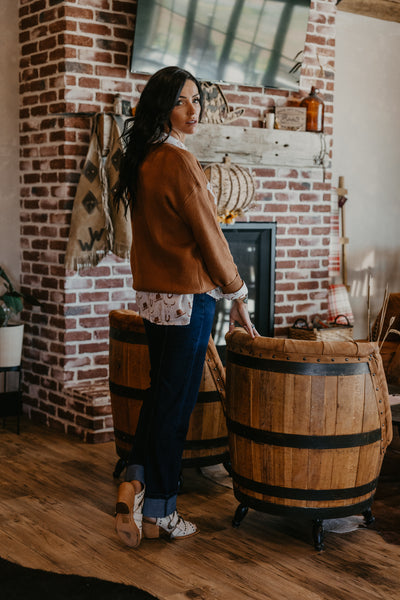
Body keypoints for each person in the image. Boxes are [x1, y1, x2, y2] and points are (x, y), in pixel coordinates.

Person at [113, 65, 258, 548]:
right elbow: (211, 238)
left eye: (197, 99)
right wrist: (237, 293)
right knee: (175, 407)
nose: (193, 110)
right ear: (162, 107)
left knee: (160, 395)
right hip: (187, 300)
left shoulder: (144, 158)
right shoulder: (178, 161)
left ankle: (134, 482)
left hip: (153, 300)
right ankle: (162, 511)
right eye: (182, 101)